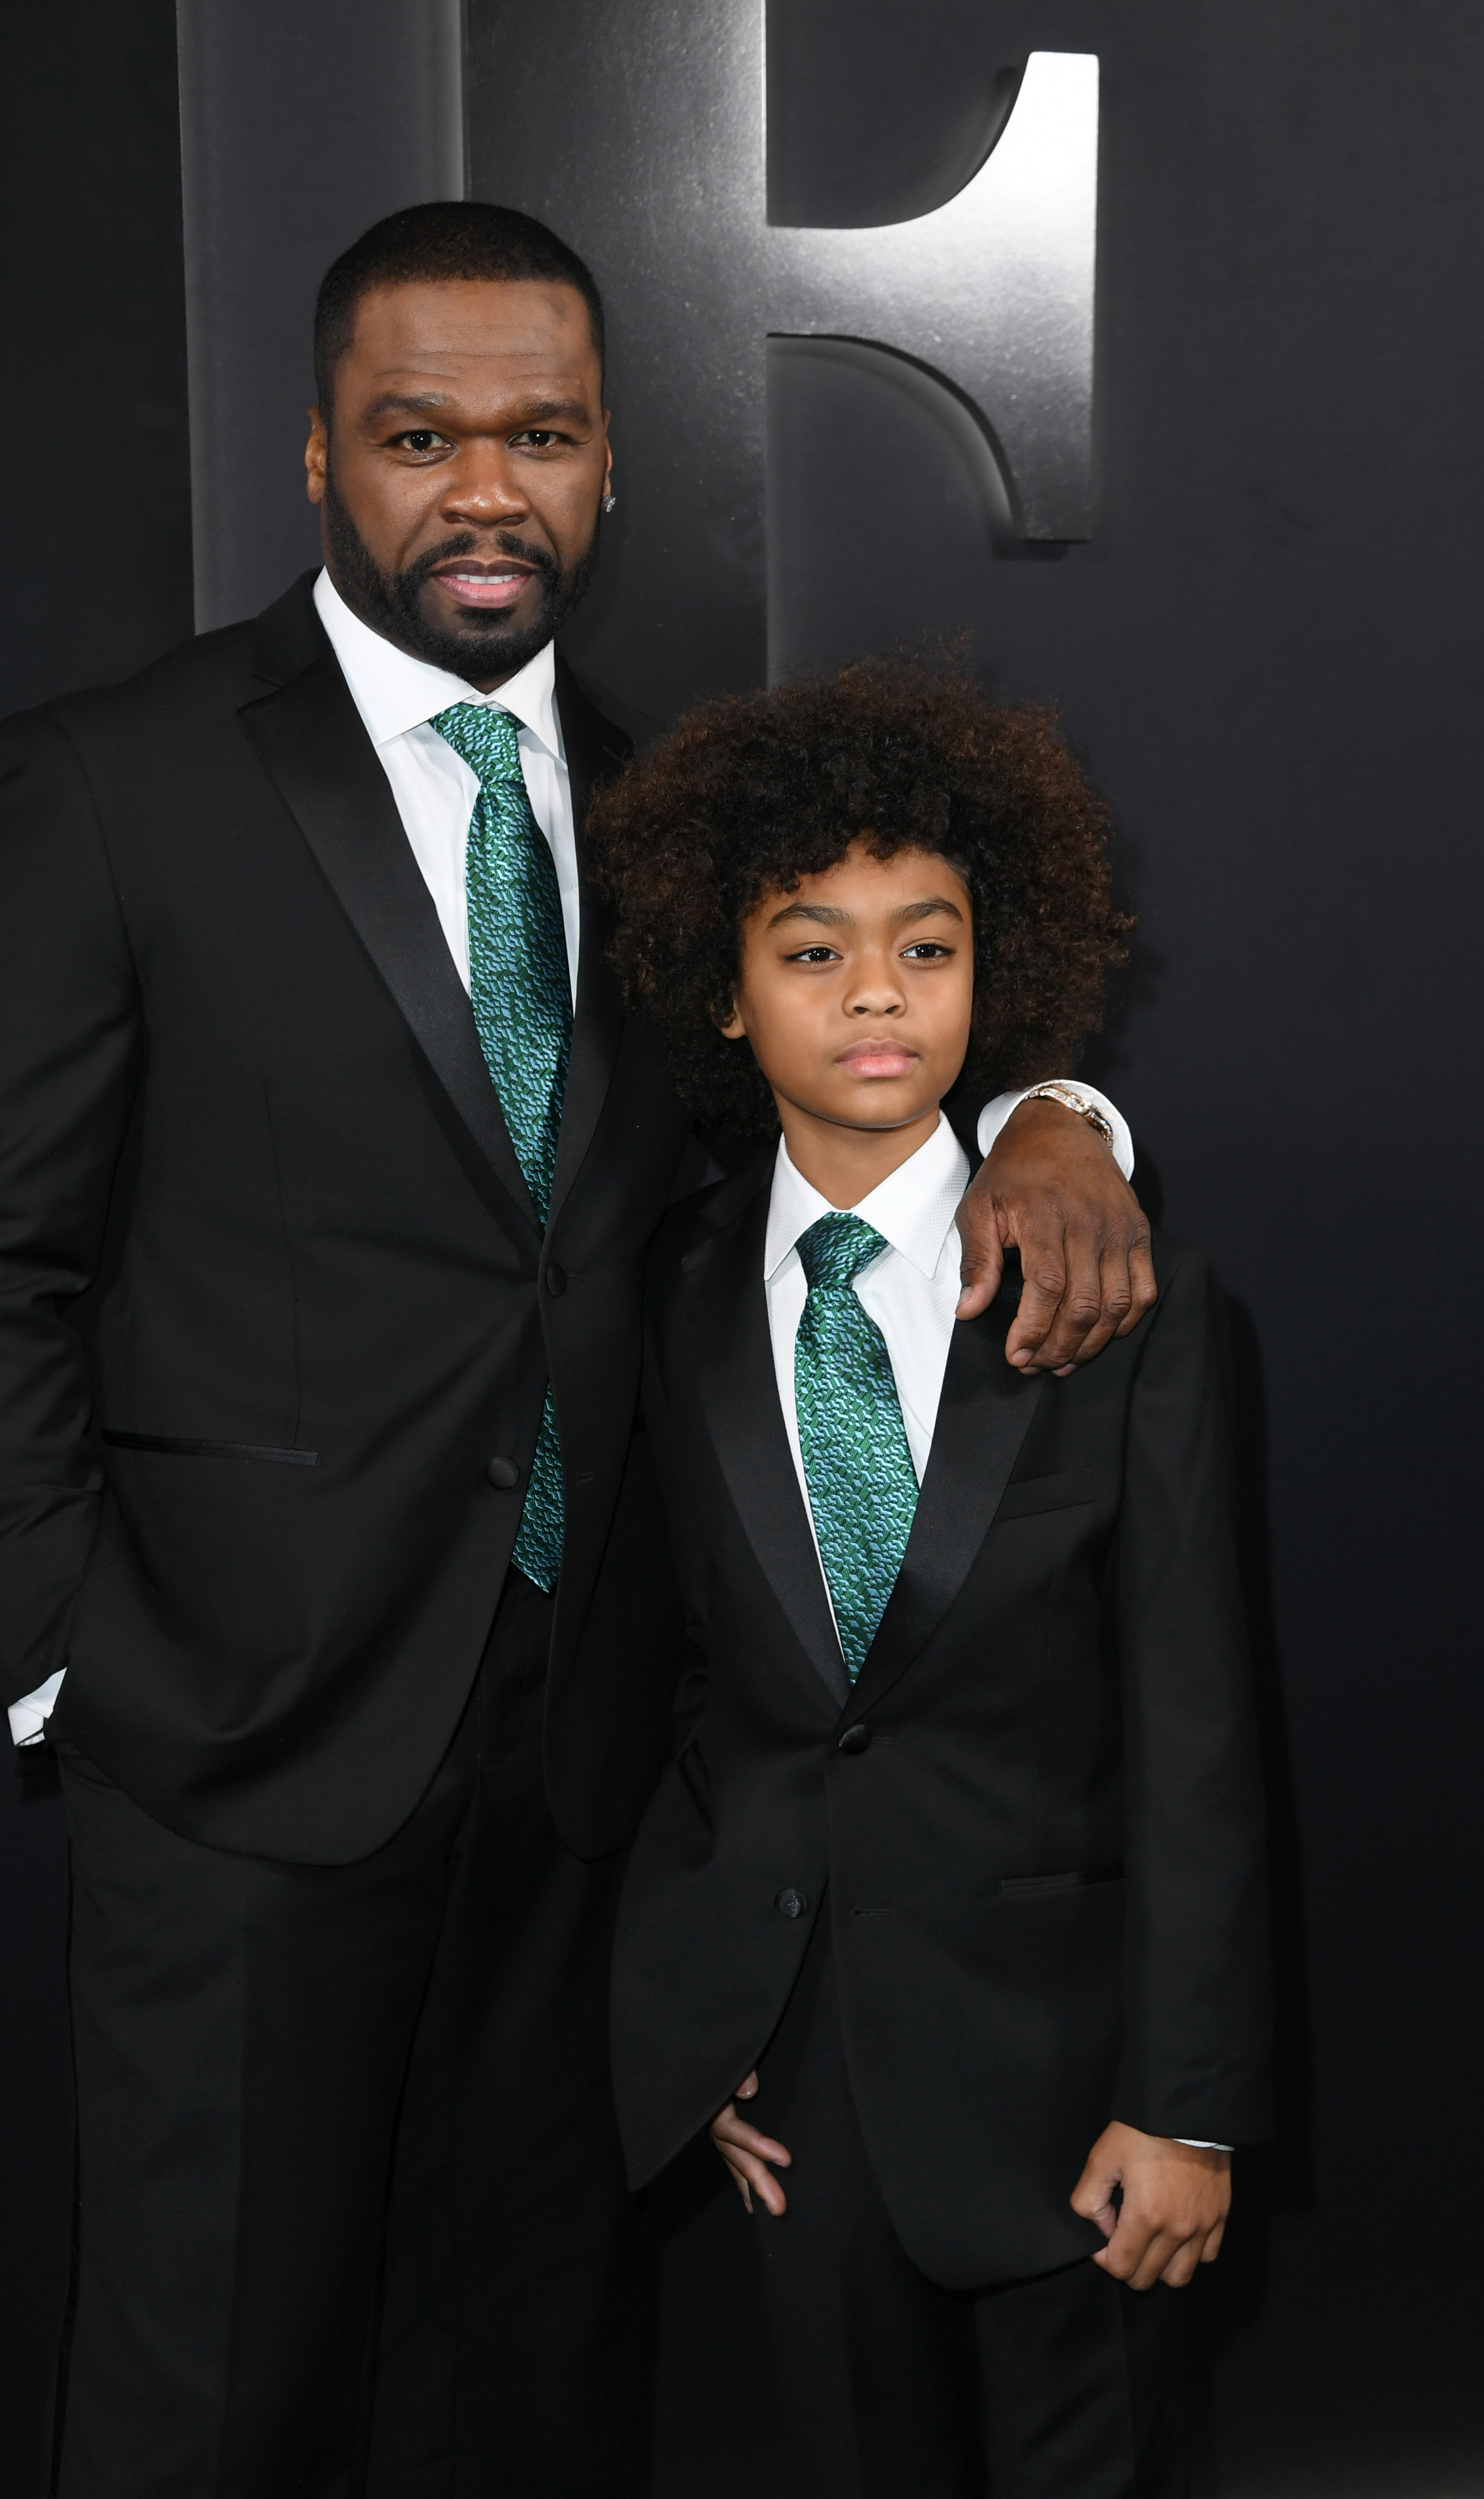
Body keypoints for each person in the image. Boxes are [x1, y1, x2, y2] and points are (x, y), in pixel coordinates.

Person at [0, 204, 1156, 2496]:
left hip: (582, 1788)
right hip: (244, 1756)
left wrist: (1061, 1114)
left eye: (541, 436)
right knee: (209, 2406)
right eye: (420, 436)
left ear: (608, 469)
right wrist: (74, 1668)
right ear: (315, 460)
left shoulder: (667, 825)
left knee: (534, 2395)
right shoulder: (115, 780)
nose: (487, 489)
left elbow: (855, 1073)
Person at [594, 654, 1271, 2499]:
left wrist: (1186, 2100)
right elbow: (668, 1685)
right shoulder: (663, 1299)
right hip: (801, 2109)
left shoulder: (1125, 1305)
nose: (876, 990)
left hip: (1081, 2103)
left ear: (996, 968)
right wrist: (687, 2018)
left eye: (926, 943)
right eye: (811, 950)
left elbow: (1201, 1737)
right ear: (722, 995)